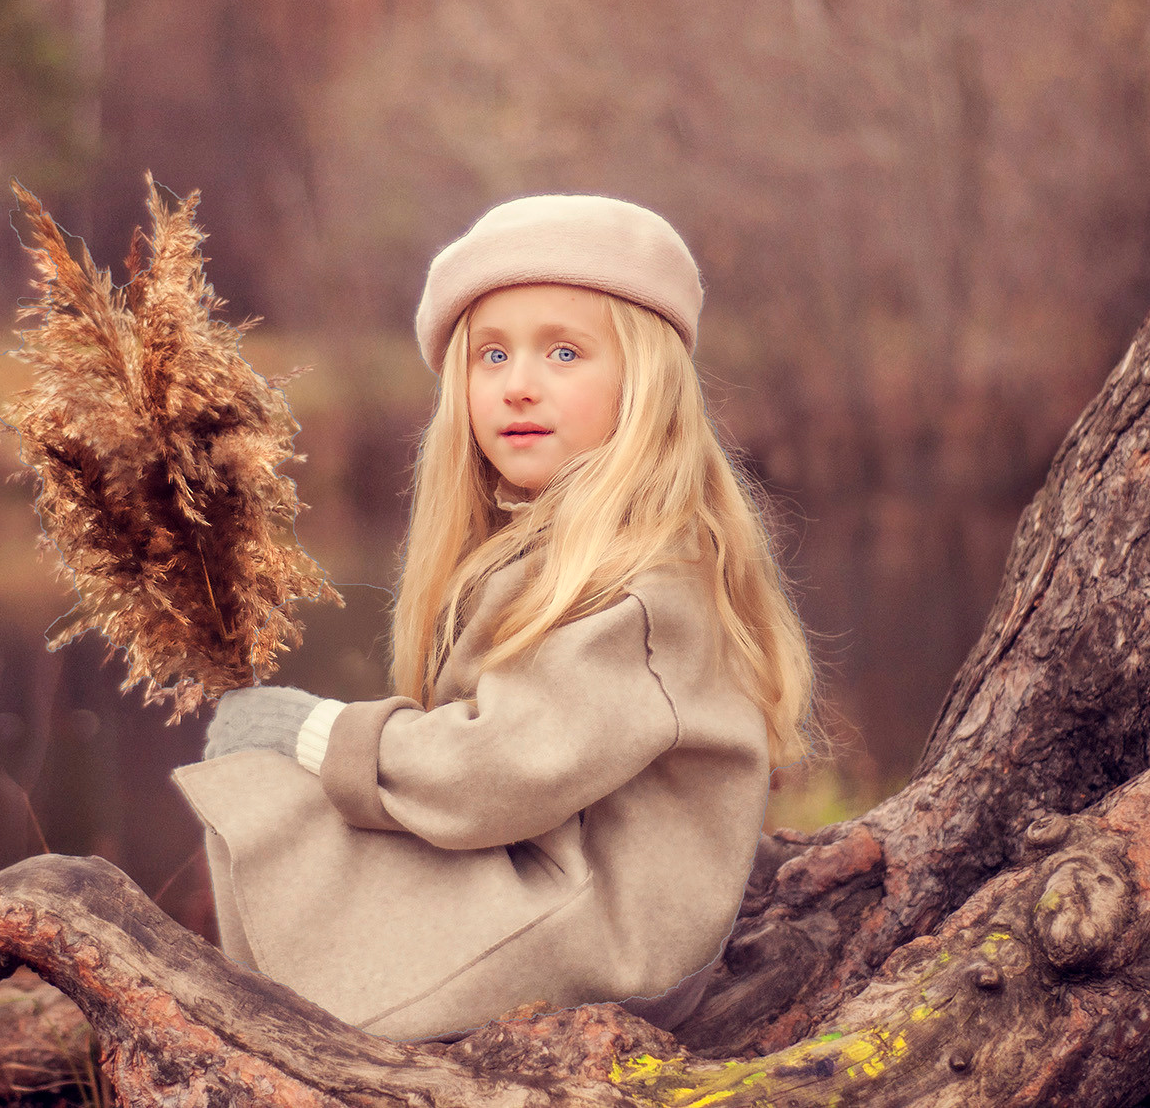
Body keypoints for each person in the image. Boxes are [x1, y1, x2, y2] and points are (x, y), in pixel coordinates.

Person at [171, 194, 814, 1042]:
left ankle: (288, 1038)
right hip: (551, 881)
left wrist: (314, 732)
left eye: (564, 352)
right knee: (279, 800)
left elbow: (498, 776)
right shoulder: (553, 549)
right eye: (492, 355)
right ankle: (282, 1032)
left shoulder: (644, 583)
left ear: (647, 382)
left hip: (609, 938)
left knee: (276, 793)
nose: (518, 385)